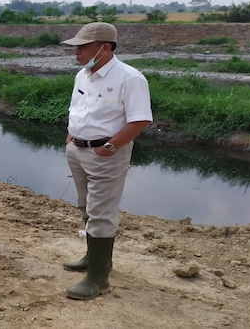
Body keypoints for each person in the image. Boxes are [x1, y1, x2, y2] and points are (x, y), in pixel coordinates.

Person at [60, 22, 153, 300]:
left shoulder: (130, 78)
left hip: (106, 154)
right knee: (85, 205)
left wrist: (111, 146)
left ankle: (98, 279)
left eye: (83, 47)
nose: (76, 51)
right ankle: (94, 258)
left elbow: (140, 119)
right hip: (78, 150)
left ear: (105, 48)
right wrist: (71, 137)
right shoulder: (83, 75)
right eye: (76, 47)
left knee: (101, 212)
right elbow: (79, 109)